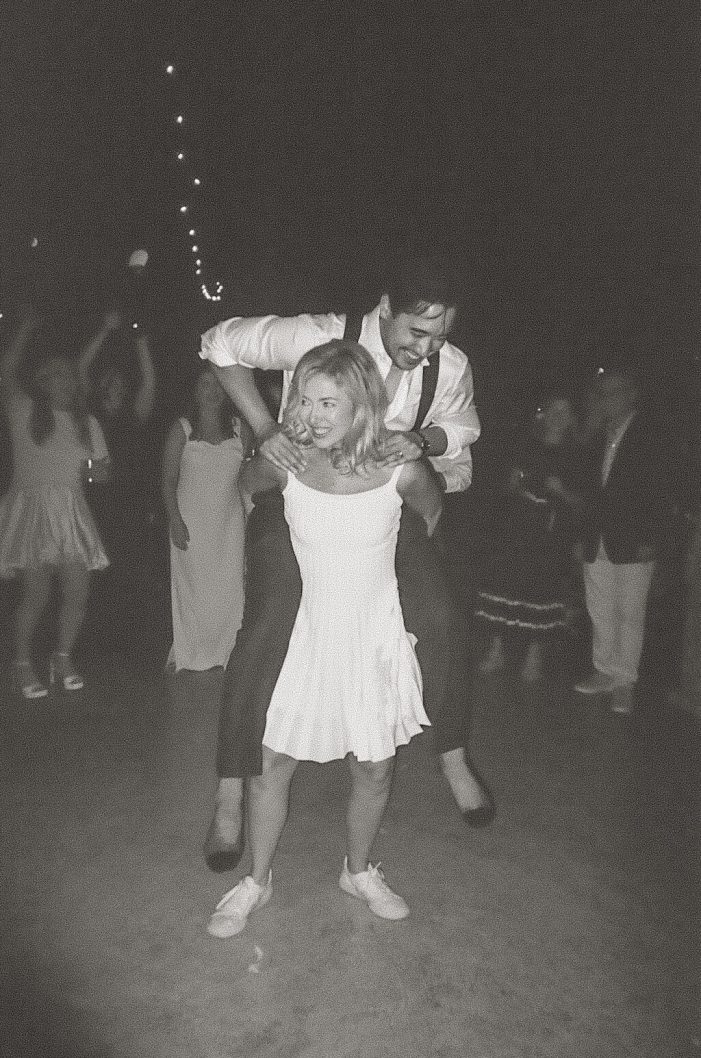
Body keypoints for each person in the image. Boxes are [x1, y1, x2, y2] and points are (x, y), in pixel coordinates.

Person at [199, 253, 493, 876]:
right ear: (387, 308)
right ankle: (230, 792)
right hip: (297, 495)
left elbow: (462, 426)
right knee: (266, 632)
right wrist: (263, 428)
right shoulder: (320, 334)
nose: (428, 345)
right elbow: (220, 343)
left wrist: (422, 442)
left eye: (441, 333)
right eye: (418, 330)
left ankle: (452, 751)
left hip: (380, 503)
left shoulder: (451, 363)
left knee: (442, 615)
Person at [207, 341, 440, 937]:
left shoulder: (400, 469)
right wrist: (266, 443)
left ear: (361, 404)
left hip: (373, 635)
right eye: (303, 398)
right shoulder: (286, 461)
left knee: (375, 766)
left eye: (327, 401)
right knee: (275, 760)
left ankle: (357, 870)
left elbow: (433, 520)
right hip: (309, 632)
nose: (309, 414)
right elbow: (243, 484)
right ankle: (257, 881)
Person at [0, 309, 110, 698]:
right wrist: (26, 327)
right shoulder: (23, 411)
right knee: (36, 592)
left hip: (71, 511)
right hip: (33, 511)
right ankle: (22, 665)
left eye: (68, 372)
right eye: (57, 373)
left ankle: (62, 657)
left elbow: (103, 473)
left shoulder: (87, 422)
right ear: (43, 382)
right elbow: (7, 369)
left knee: (78, 591)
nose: (67, 378)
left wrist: (97, 471)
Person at [574, 364, 676, 714]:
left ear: (631, 395)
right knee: (599, 607)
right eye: (601, 393)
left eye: (612, 392)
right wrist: (580, 533)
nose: (605, 400)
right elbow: (587, 488)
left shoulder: (651, 435)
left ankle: (625, 681)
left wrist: (653, 537)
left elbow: (662, 491)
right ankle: (603, 671)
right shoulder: (597, 435)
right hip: (596, 536)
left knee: (630, 612)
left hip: (633, 536)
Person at [476, 393, 596, 682]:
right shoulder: (525, 445)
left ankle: (533, 657)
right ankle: (496, 652)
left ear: (572, 418)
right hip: (517, 528)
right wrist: (514, 485)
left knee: (542, 590)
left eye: (565, 411)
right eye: (553, 409)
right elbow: (505, 488)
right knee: (506, 584)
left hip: (553, 533)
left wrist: (561, 491)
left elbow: (585, 503)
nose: (558, 416)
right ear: (543, 413)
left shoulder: (578, 453)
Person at [161, 367, 248, 672]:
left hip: (230, 522)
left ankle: (228, 651)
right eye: (205, 385)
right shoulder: (182, 429)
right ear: (195, 391)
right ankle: (194, 652)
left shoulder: (240, 429)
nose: (212, 391)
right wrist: (175, 519)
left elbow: (248, 478)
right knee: (195, 589)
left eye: (218, 385)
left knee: (230, 586)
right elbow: (168, 480)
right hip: (191, 521)